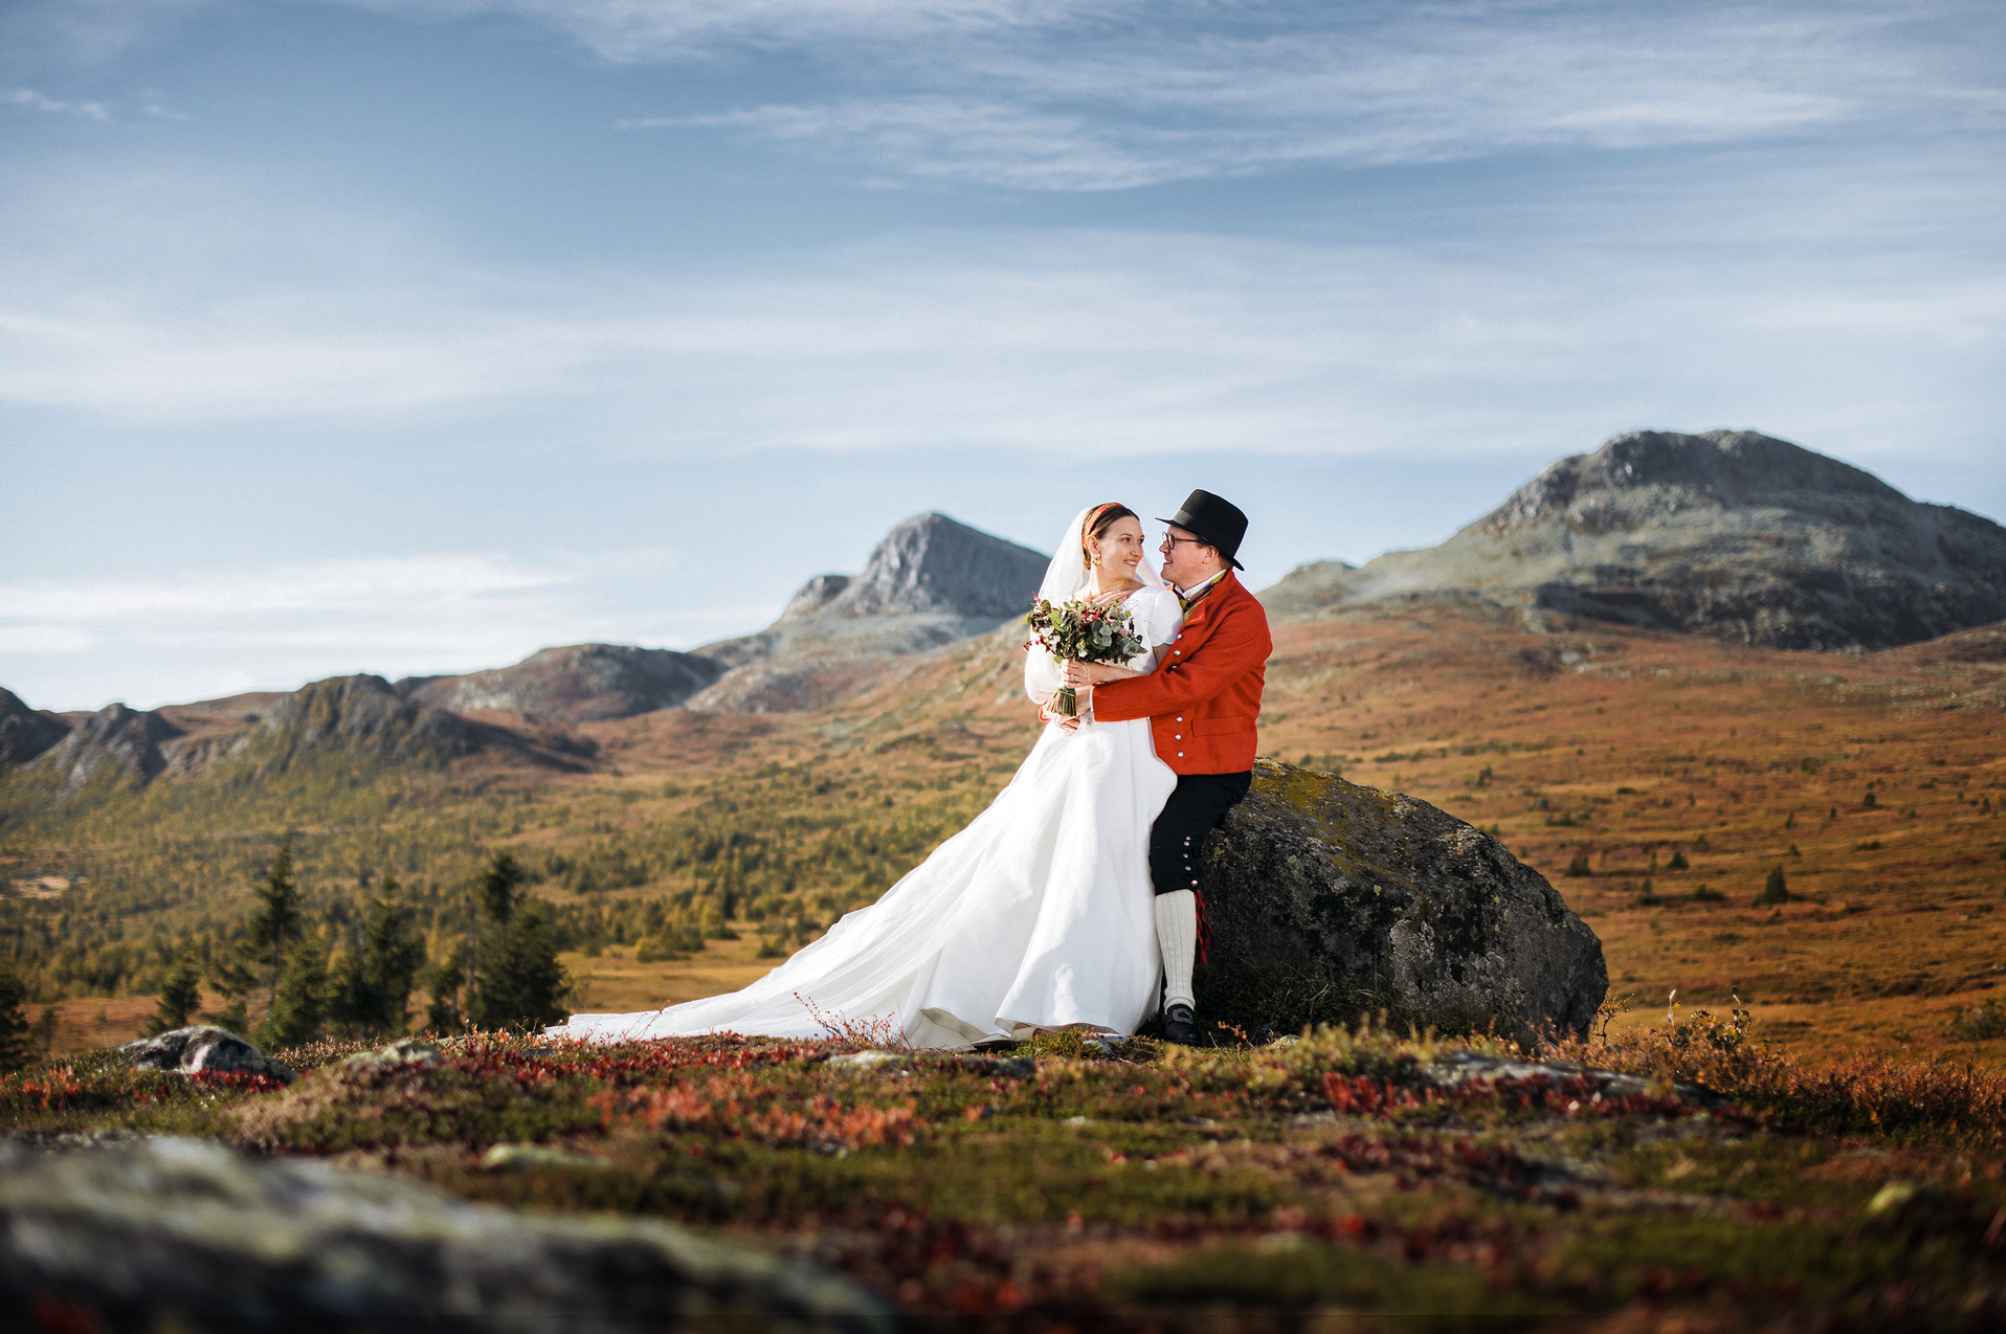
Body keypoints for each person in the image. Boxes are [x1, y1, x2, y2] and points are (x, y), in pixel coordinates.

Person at [548, 503, 1185, 1048]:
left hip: (1129, 745)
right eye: (1123, 539)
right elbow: (1042, 684)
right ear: (1091, 546)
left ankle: (1091, 995)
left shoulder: (1157, 603)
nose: (1135, 549)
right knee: (1032, 861)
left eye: (1137, 540)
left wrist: (1098, 676)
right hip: (1072, 745)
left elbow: (1163, 680)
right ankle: (1030, 992)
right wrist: (1064, 695)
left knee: (1109, 856)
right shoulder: (1069, 606)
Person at [1060, 490, 1270, 1045]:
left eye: (1174, 541)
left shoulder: (1245, 616)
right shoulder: (1168, 597)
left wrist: (1096, 695)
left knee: (1168, 844)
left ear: (1211, 553)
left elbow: (1187, 686)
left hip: (1211, 766)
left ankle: (1179, 999)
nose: (1162, 549)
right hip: (1155, 757)